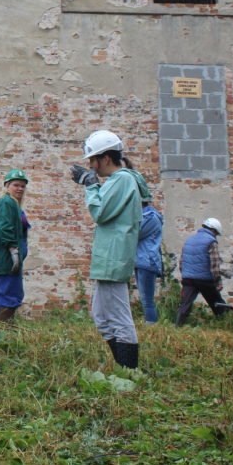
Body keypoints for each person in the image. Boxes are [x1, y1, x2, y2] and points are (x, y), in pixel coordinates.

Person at [70, 130, 142, 369]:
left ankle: (129, 372)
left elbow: (100, 213)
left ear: (106, 158)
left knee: (119, 319)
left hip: (114, 257)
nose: (91, 166)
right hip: (108, 257)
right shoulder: (117, 181)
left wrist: (90, 186)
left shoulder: (122, 180)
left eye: (92, 160)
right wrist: (93, 184)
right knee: (101, 317)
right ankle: (123, 367)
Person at [119, 158, 162, 324]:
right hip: (139, 260)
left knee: (147, 299)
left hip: (147, 261)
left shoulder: (150, 217)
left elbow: (132, 234)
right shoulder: (143, 216)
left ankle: (152, 325)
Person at [0, 169, 30, 322]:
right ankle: (4, 331)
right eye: (16, 185)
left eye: (23, 186)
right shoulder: (7, 202)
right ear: (7, 186)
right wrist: (14, 251)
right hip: (7, 260)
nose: (20, 189)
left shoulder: (13, 204)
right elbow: (4, 228)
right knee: (10, 294)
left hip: (3, 260)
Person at [175, 218, 228, 325]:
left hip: (188, 279)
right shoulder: (211, 241)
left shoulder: (189, 240)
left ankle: (177, 326)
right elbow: (214, 264)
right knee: (218, 304)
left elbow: (182, 262)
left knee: (185, 305)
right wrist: (218, 283)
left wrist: (185, 275)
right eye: (216, 233)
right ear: (214, 230)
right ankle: (225, 324)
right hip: (204, 279)